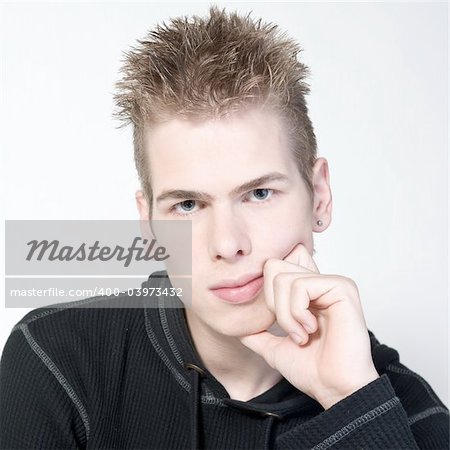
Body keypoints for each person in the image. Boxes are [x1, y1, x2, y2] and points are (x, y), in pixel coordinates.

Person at [0, 6, 448, 450]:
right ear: (150, 224)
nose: (228, 243)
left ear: (320, 196)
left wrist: (349, 401)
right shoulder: (55, 359)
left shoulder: (409, 418)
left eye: (259, 194)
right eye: (188, 204)